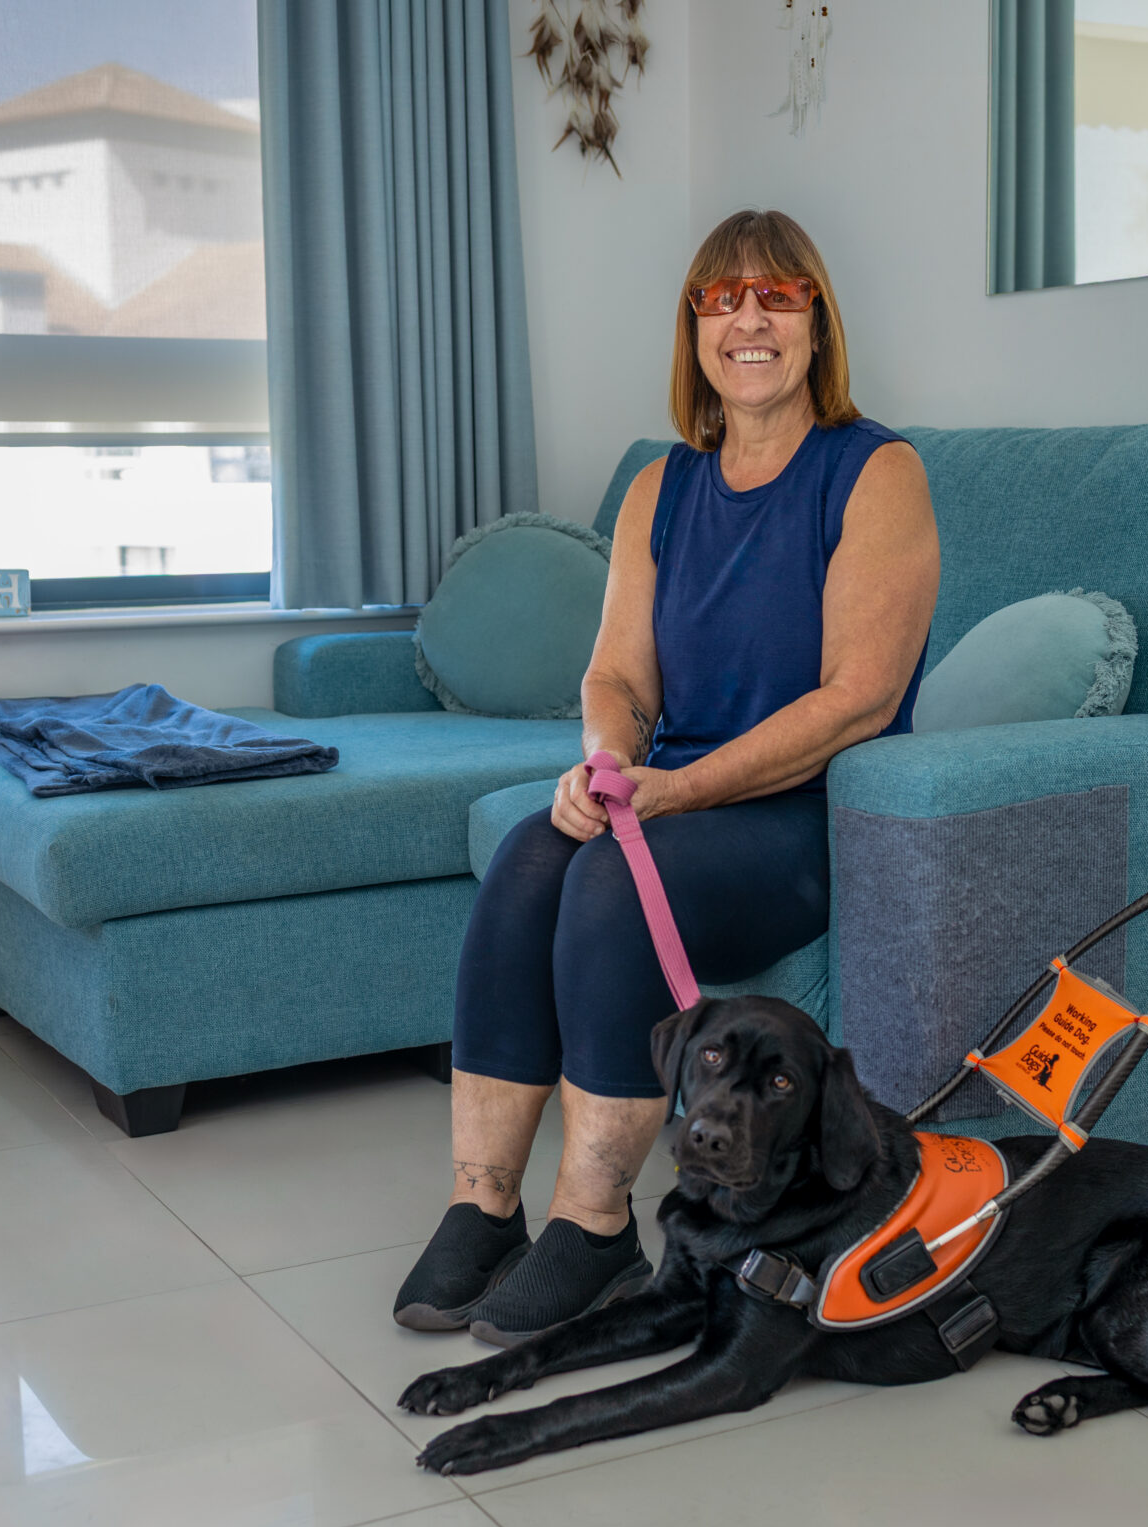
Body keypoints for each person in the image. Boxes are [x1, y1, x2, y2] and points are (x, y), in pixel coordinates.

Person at [392, 209, 941, 1344]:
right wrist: (606, 765)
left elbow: (859, 697)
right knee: (533, 855)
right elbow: (616, 675)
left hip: (803, 812)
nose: (749, 320)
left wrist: (680, 792)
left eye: (777, 295)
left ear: (817, 322)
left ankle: (595, 1224)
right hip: (672, 795)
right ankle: (482, 1204)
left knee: (608, 884)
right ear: (695, 329)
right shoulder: (662, 486)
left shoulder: (874, 472)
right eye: (721, 299)